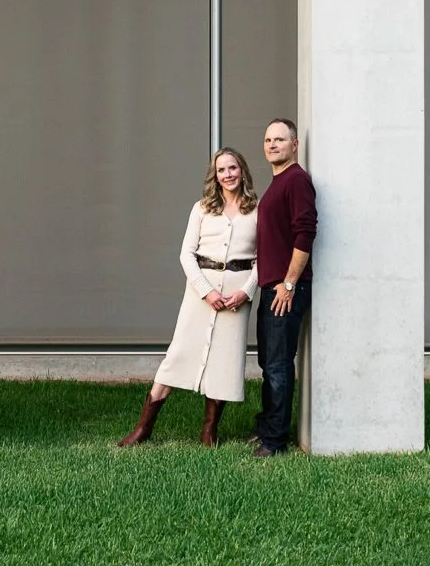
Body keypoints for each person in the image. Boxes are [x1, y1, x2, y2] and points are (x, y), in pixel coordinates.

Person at [118, 148, 259, 448]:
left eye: (233, 168)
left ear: (242, 171)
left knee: (224, 360)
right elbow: (186, 254)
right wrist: (206, 290)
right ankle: (144, 427)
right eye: (222, 170)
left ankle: (209, 430)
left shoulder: (257, 210)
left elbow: (264, 258)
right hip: (200, 293)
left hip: (237, 295)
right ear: (215, 176)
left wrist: (245, 292)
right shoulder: (202, 208)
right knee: (179, 354)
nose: (228, 175)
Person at [252, 118, 314, 457]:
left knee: (278, 364)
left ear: (294, 145)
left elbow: (305, 233)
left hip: (286, 289)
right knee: (268, 361)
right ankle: (267, 427)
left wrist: (289, 284)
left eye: (280, 139)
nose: (272, 145)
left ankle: (275, 442)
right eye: (267, 139)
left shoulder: (297, 181)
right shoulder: (278, 183)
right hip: (271, 287)